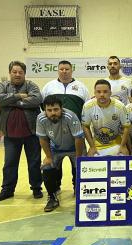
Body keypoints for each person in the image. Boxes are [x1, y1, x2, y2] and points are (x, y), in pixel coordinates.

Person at [0, 61, 43, 201]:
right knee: (9, 163)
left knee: (34, 162)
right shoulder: (2, 86)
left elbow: (37, 99)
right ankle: (7, 189)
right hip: (10, 135)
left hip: (31, 134)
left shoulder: (31, 85)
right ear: (10, 73)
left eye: (20, 72)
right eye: (14, 72)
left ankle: (36, 188)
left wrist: (10, 102)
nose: (17, 74)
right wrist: (19, 96)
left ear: (24, 74)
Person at [41, 60, 89, 192]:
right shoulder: (48, 87)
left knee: (78, 164)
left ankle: (77, 188)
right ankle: (55, 188)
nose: (64, 71)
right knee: (54, 163)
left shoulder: (81, 87)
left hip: (76, 134)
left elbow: (86, 109)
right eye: (61, 69)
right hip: (55, 133)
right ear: (58, 70)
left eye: (67, 69)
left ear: (71, 70)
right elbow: (43, 108)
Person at [36, 95, 84, 211]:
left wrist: (78, 158)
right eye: (49, 110)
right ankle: (52, 197)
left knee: (80, 167)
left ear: (61, 109)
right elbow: (42, 139)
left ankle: (79, 192)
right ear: (45, 110)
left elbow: (79, 138)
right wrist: (48, 157)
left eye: (56, 109)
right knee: (47, 167)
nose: (53, 113)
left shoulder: (70, 116)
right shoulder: (41, 119)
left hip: (74, 147)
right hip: (55, 148)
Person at [82, 79, 130, 156]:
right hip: (97, 146)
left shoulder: (120, 106)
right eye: (98, 92)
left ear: (110, 93)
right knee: (90, 162)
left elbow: (126, 127)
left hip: (116, 144)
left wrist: (123, 146)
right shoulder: (87, 106)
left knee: (124, 158)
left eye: (105, 91)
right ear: (94, 93)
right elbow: (85, 126)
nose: (102, 94)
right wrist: (92, 147)